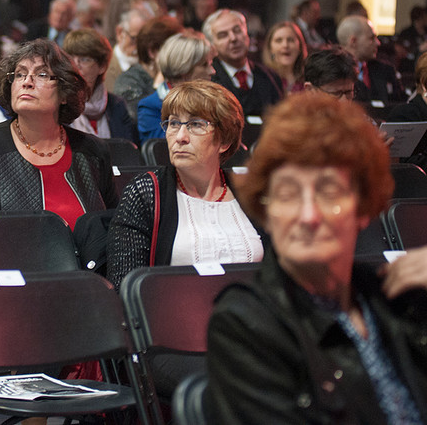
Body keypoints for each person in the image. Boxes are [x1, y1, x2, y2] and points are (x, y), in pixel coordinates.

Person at [207, 92, 427, 423]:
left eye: (328, 194)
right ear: (266, 213)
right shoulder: (244, 324)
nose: (308, 215)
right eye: (288, 195)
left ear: (364, 208)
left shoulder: (396, 299)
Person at [106, 80, 261, 397]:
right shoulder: (147, 193)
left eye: (195, 125)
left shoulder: (251, 197)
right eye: (173, 123)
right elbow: (126, 288)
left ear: (224, 139)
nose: (179, 136)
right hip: (169, 341)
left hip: (248, 336)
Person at [0, 38, 119, 229]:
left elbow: (113, 228)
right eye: (19, 75)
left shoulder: (92, 151)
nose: (27, 82)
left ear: (65, 93)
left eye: (42, 74)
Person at [137, 32, 216, 140]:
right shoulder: (150, 108)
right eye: (204, 65)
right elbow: (166, 150)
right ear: (184, 69)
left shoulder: (216, 101)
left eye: (211, 64)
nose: (212, 71)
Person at [204, 9, 283, 117]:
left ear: (247, 33)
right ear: (212, 45)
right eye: (223, 35)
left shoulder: (269, 76)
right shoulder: (208, 82)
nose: (233, 38)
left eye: (237, 31)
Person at [63, 28, 136, 142]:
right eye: (70, 58)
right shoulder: (60, 105)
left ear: (102, 66)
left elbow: (127, 152)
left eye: (84, 59)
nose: (75, 65)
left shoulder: (117, 106)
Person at [114, 15, 183, 121]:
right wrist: (158, 87)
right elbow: (139, 119)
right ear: (153, 52)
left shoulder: (180, 75)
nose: (179, 56)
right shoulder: (128, 80)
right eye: (173, 50)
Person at [337, 15, 405, 103]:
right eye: (371, 38)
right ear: (353, 41)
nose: (378, 43)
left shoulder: (386, 70)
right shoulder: (333, 73)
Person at [262, 20, 308, 94]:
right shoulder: (263, 80)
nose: (285, 45)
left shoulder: (311, 80)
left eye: (290, 40)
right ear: (270, 49)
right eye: (279, 40)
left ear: (300, 47)